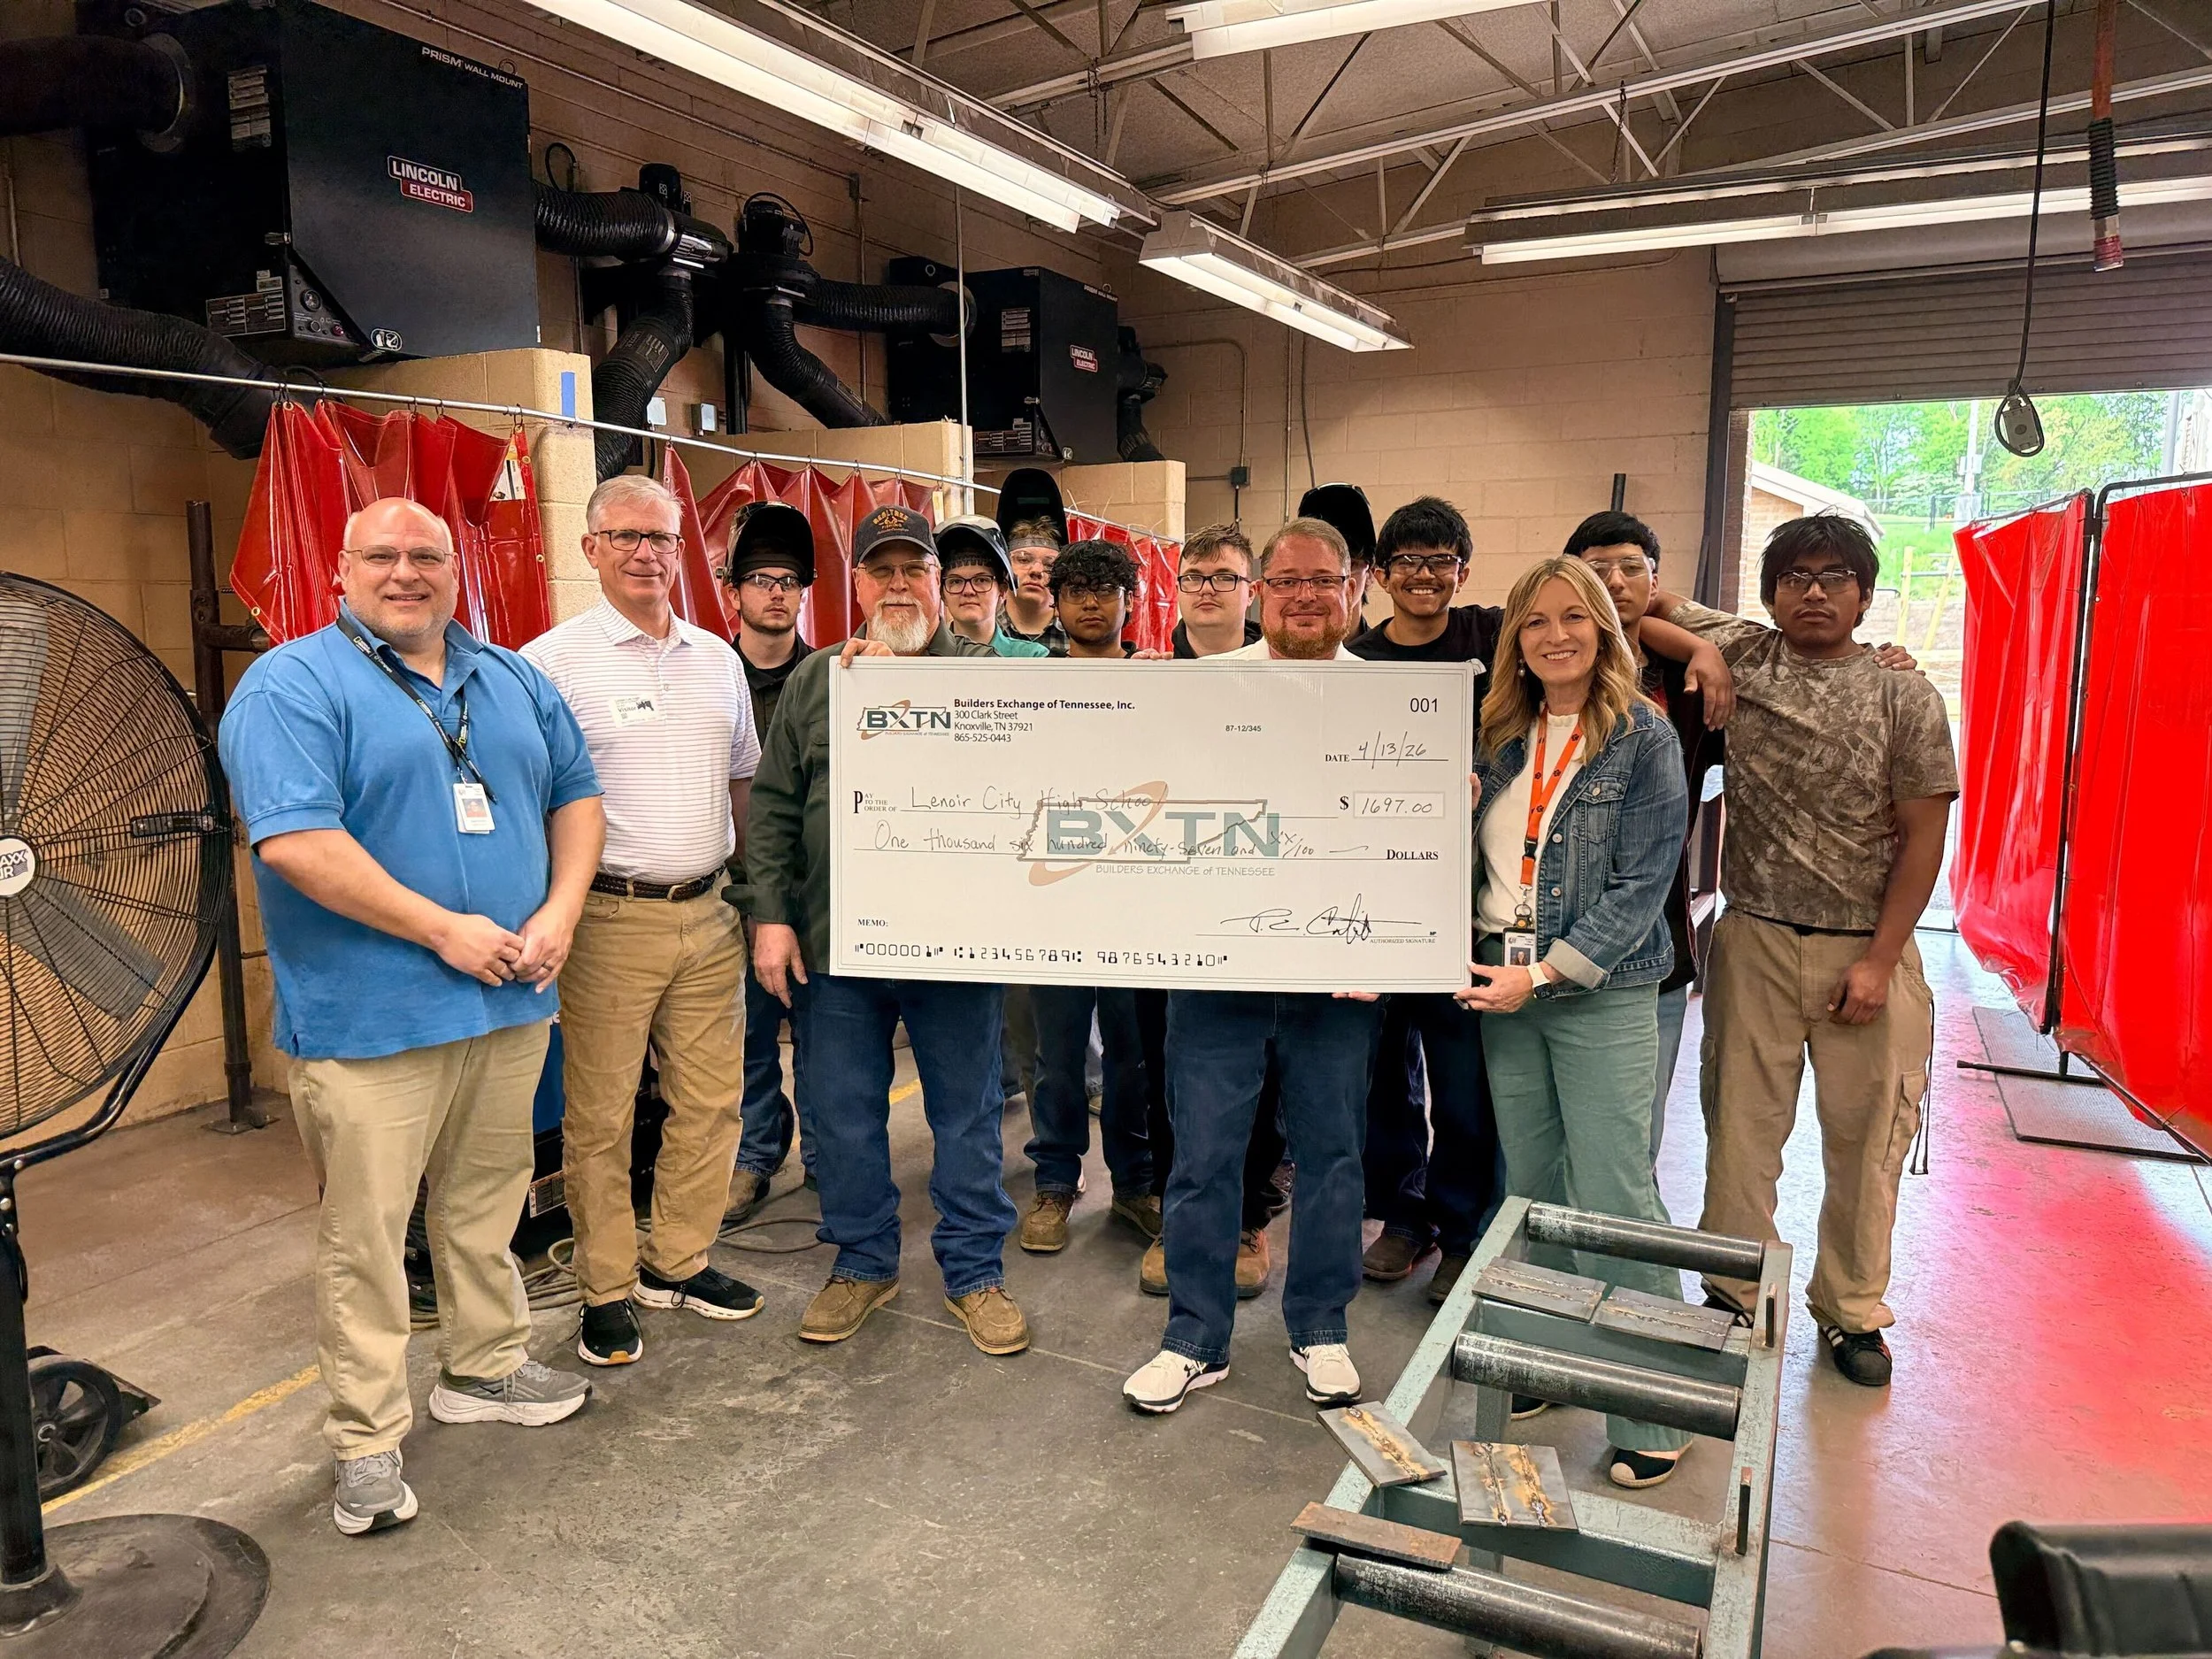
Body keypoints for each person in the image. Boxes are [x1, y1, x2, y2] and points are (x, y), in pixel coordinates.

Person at [219, 496, 602, 1537]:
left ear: (454, 569)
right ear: (340, 569)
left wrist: (559, 913)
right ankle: (367, 1437)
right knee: (368, 1236)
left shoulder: (512, 677)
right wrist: (445, 931)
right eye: (380, 555)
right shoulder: (292, 686)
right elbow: (297, 844)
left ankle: (482, 1369)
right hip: (371, 1018)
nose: (405, 572)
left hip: (512, 995)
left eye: (425, 555)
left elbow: (575, 795)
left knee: (489, 1204)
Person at [1647, 515, 1955, 1390]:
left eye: (1833, 577)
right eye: (1795, 577)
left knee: (1865, 1143)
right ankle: (1737, 1290)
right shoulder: (1745, 653)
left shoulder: (1905, 694)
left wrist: (1879, 960)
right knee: (1739, 1132)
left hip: (1868, 950)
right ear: (1772, 590)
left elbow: (1923, 839)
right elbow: (1628, 605)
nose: (1813, 592)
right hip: (1755, 938)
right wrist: (1700, 656)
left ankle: (1850, 1311)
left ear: (1864, 592)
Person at [742, 504, 1032, 1356]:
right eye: (883, 570)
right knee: (841, 1112)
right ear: (858, 583)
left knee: (967, 1112)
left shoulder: (995, 680)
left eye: (916, 569)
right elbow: (776, 809)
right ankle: (864, 1262)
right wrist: (772, 918)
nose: (899, 585)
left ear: (941, 584)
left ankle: (975, 1272)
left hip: (954, 946)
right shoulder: (819, 678)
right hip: (837, 946)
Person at [1123, 518, 1382, 1415]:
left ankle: (1320, 1326)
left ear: (1355, 589)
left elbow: (1409, 844)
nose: (1306, 594)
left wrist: (1437, 805)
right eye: (1286, 580)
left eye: (1324, 579)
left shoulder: (1393, 704)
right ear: (1259, 592)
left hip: (1335, 974)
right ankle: (1195, 1338)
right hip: (1216, 968)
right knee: (1201, 1158)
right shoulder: (1200, 688)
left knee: (1333, 1156)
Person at [522, 477, 764, 1368]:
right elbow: (534, 800)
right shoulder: (548, 663)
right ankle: (606, 1286)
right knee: (601, 1116)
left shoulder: (716, 659)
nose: (644, 552)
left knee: (709, 1102)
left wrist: (755, 890)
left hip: (709, 913)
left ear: (681, 551)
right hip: (610, 920)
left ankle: (678, 1260)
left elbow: (743, 781)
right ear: (589, 549)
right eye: (623, 536)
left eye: (660, 537)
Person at [1460, 555, 1690, 1489]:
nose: (1555, 635)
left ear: (1604, 630)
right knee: (1537, 1186)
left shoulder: (1643, 739)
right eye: (1536, 620)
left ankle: (1657, 1405)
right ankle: (1552, 1364)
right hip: (1502, 989)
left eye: (1576, 618)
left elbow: (1643, 887)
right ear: (1515, 636)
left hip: (1594, 991)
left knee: (1614, 1195)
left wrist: (1548, 972)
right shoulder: (1496, 737)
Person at [1347, 497, 1504, 1303]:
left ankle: (1461, 1231)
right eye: (1405, 561)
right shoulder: (1354, 659)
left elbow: (1601, 613)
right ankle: (1404, 1218)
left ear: (1463, 572)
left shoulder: (1492, 638)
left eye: (1439, 560)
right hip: (1378, 902)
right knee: (1384, 1077)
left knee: (1463, 1082)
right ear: (1379, 575)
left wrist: (1703, 650)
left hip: (1471, 906)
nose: (1423, 575)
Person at [1147, 520, 1287, 1302]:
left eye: (1224, 577)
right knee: (1170, 1075)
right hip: (1163, 914)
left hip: (1262, 907)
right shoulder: (1146, 679)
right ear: (1177, 587)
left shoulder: (1291, 675)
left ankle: (1249, 1218)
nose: (1207, 589)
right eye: (1195, 575)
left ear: (1252, 591)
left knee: (1260, 1079)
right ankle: (1181, 1217)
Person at [1017, 539, 1164, 1255]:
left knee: (1135, 1056)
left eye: (1106, 590)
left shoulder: (1161, 682)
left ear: (1129, 601)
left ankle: (1135, 1184)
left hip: (1138, 904)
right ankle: (1053, 1182)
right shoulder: (1027, 686)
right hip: (1057, 902)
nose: (1092, 602)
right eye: (1077, 590)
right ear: (1057, 601)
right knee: (1060, 1052)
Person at [720, 501, 818, 1224]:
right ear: (735, 592)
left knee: (821, 1031)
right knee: (745, 1033)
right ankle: (757, 1150)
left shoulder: (832, 677)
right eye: (760, 578)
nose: (776, 591)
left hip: (811, 897)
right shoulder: (702, 673)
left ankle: (823, 1150)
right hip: (727, 892)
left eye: (788, 578)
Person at [937, 514, 1050, 658]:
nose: (968, 591)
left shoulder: (1032, 657)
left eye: (981, 580)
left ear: (1002, 590)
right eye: (956, 581)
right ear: (942, 594)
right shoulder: (925, 658)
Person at [995, 466, 1068, 652]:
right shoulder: (984, 633)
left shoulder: (1077, 636)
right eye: (1023, 559)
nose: (1036, 570)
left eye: (1049, 564)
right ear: (1005, 566)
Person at [1171, 522, 1263, 657]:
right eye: (1193, 578)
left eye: (1224, 578)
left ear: (1250, 593)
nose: (1206, 589)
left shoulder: (1281, 672)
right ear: (1177, 591)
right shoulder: (1153, 673)